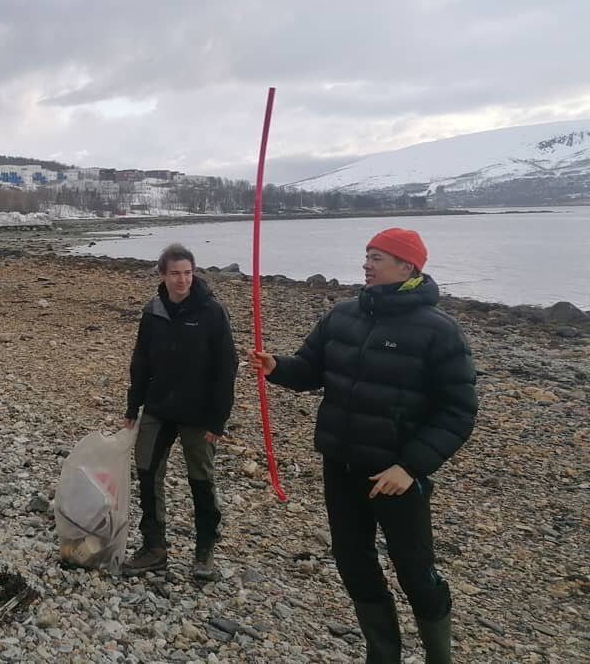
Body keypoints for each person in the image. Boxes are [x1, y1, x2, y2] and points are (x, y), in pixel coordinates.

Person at [247, 228, 477, 664]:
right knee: (353, 563)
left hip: (396, 477)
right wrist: (276, 366)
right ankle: (382, 655)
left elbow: (458, 412)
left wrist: (409, 468)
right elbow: (311, 370)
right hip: (341, 464)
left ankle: (439, 657)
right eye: (367, 255)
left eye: (378, 257)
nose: (367, 264)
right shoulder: (343, 316)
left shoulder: (439, 332)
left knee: (415, 572)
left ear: (408, 268)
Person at [121, 243, 238, 580]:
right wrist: (133, 404)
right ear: (162, 274)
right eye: (175, 273)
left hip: (199, 413)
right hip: (159, 407)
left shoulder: (212, 312)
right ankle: (154, 548)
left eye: (187, 273)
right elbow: (140, 361)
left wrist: (219, 418)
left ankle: (204, 551)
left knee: (200, 479)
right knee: (146, 472)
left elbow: (227, 367)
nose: (182, 280)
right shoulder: (153, 311)